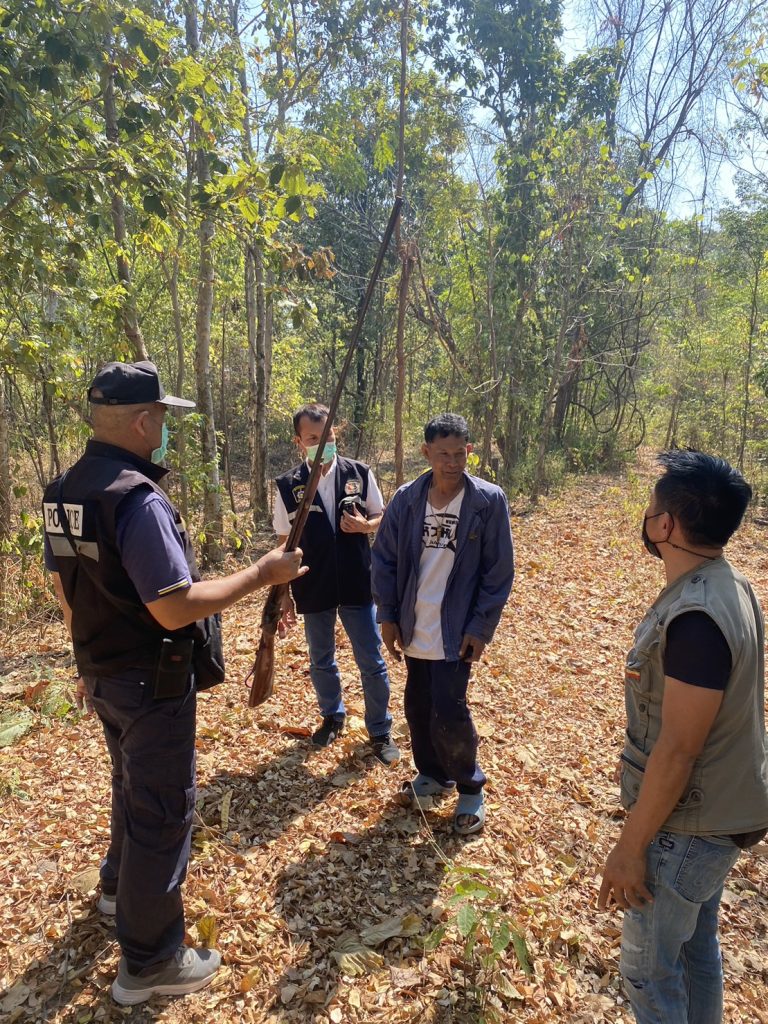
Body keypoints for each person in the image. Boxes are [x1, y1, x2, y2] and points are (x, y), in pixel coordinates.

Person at [42, 360, 305, 1005]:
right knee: (162, 809)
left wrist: (83, 663)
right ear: (142, 421)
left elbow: (66, 589)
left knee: (130, 785)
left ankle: (117, 888)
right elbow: (173, 605)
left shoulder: (64, 490)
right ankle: (150, 961)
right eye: (161, 416)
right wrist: (262, 574)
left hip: (103, 671)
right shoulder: (135, 498)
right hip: (149, 680)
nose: (164, 427)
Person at [598, 449, 768, 1024]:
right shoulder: (728, 583)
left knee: (649, 971)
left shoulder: (697, 616)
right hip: (719, 812)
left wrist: (630, 848)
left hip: (690, 825)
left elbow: (678, 750)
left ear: (666, 525)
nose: (646, 519)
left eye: (651, 510)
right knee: (695, 950)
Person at [371, 413, 514, 834]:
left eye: (459, 453)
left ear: (469, 451)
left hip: (455, 628)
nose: (452, 462)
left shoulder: (487, 501)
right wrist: (388, 615)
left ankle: (470, 787)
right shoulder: (406, 499)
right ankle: (433, 774)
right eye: (443, 454)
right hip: (415, 622)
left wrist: (480, 627)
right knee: (417, 706)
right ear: (426, 452)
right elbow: (384, 560)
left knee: (449, 710)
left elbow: (498, 572)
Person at [273, 403, 398, 763]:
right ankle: (332, 716)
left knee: (371, 659)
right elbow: (283, 544)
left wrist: (365, 526)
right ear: (299, 442)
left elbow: (381, 516)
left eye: (327, 435)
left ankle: (380, 730)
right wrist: (283, 595)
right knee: (321, 658)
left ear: (336, 433)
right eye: (313, 438)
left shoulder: (358, 472)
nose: (322, 443)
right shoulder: (288, 485)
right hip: (313, 584)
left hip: (358, 581)